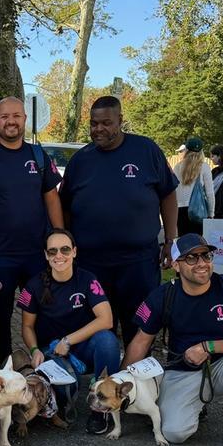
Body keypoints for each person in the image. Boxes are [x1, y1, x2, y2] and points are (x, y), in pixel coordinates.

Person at [122, 234, 223, 446]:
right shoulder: (162, 295)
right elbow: (141, 340)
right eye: (191, 258)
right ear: (175, 265)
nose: (201, 263)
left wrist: (207, 346)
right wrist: (120, 383)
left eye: (206, 256)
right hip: (182, 371)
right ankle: (197, 405)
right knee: (173, 433)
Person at [59, 96, 178, 344]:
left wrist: (170, 239)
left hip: (139, 262)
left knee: (140, 326)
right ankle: (104, 380)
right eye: (93, 123)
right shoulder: (80, 161)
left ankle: (137, 377)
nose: (98, 129)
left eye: (106, 122)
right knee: (99, 331)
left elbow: (168, 195)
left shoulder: (147, 150)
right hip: (92, 264)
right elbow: (65, 206)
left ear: (120, 121)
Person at [0, 96, 64, 360]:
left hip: (37, 254)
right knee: (2, 316)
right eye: (4, 117)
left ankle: (46, 368)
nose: (11, 121)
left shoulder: (39, 156)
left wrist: (60, 237)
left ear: (25, 119)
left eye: (16, 116)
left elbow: (52, 197)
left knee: (44, 311)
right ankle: (4, 368)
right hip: (0, 255)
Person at [17, 229, 120, 434]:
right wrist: (35, 349)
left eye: (65, 249)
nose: (59, 256)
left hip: (82, 346)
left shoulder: (88, 280)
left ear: (74, 251)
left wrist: (68, 340)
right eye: (53, 251)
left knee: (107, 341)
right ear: (46, 255)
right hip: (52, 351)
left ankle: (102, 411)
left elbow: (106, 319)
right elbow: (27, 326)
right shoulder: (34, 285)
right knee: (68, 388)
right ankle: (59, 404)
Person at [173, 136, 215, 235]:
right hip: (198, 209)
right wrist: (211, 213)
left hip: (180, 210)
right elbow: (210, 193)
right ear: (201, 151)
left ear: (186, 150)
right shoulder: (204, 167)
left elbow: (173, 189)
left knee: (183, 242)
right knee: (197, 243)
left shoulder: (178, 167)